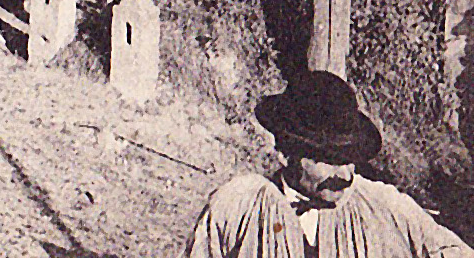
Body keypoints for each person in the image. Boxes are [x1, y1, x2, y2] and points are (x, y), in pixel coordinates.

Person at [185, 70, 472, 257]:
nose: (346, 175)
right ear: (286, 154)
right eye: (330, 160)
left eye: (350, 160)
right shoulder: (238, 206)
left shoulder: (382, 204)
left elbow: (452, 251)